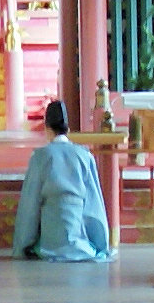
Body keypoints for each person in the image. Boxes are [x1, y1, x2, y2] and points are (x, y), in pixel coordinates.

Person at [13, 99, 112, 261]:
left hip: (50, 244)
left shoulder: (40, 157)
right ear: (68, 129)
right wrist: (101, 245)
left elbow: (29, 206)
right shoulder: (84, 155)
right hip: (80, 240)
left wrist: (22, 246)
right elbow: (94, 205)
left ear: (47, 129)